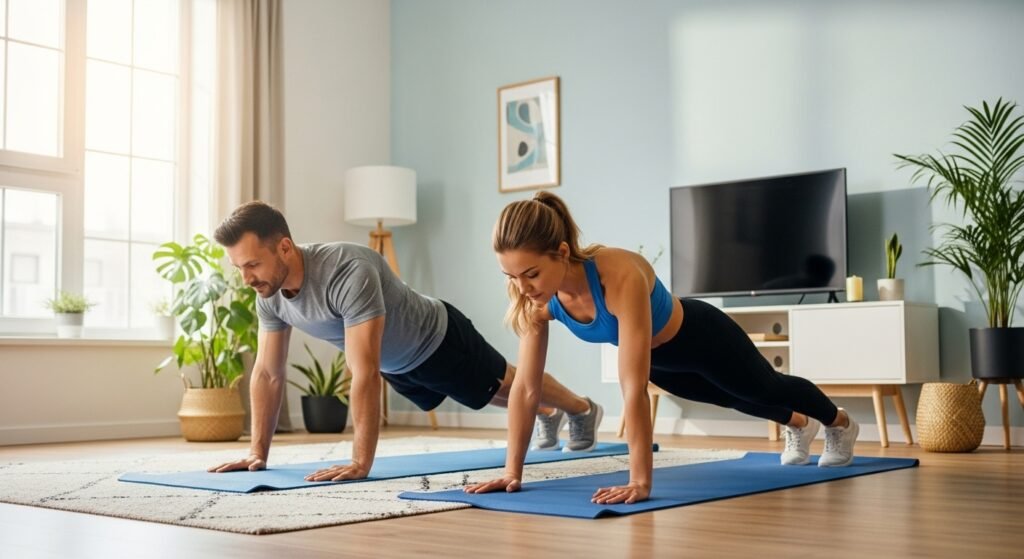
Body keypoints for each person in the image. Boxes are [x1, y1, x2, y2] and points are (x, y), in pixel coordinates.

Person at [467, 191, 859, 505]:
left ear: (563, 252)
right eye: (511, 276)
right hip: (663, 362)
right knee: (734, 398)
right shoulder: (534, 302)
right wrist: (512, 472)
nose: (522, 287)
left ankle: (839, 423)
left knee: (764, 388)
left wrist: (639, 481)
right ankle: (799, 424)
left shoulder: (618, 273)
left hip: (702, 337)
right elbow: (526, 388)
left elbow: (632, 387)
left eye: (531, 274)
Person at [207, 201, 604, 481]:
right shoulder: (268, 293)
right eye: (239, 267)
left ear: (284, 247)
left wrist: (360, 463)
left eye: (253, 264)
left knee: (507, 383)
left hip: (439, 338)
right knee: (486, 395)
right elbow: (268, 374)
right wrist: (257, 453)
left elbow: (362, 370)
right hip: (398, 365)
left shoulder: (347, 269)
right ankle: (547, 413)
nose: (247, 278)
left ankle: (582, 409)